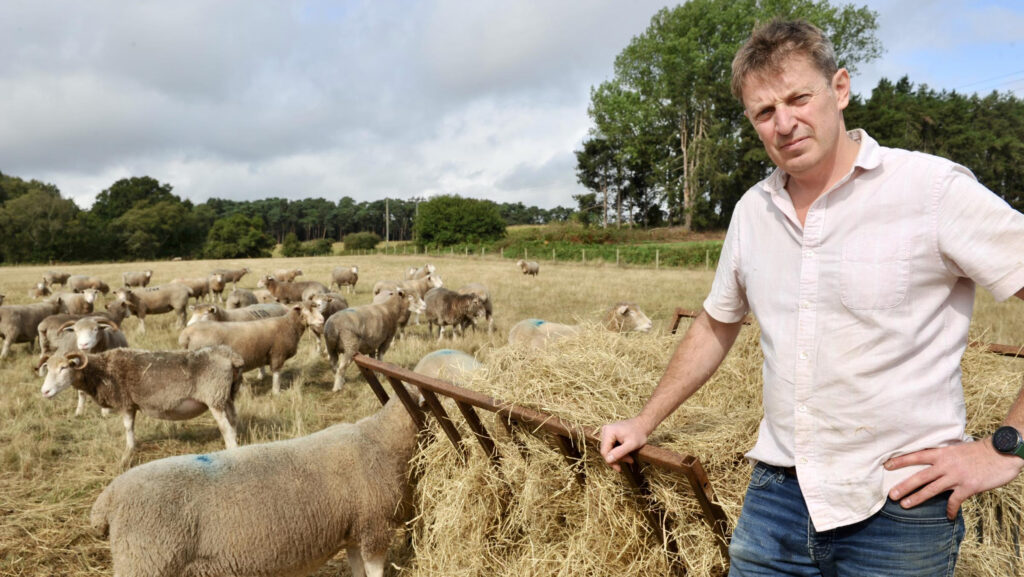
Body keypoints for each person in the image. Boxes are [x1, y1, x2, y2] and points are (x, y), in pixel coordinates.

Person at [599, 18, 1024, 577]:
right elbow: (715, 325)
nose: (784, 123)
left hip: (899, 504)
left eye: (798, 98)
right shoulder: (753, 210)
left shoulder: (930, 190)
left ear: (839, 89)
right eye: (764, 112)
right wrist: (644, 421)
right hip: (775, 498)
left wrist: (1005, 449)